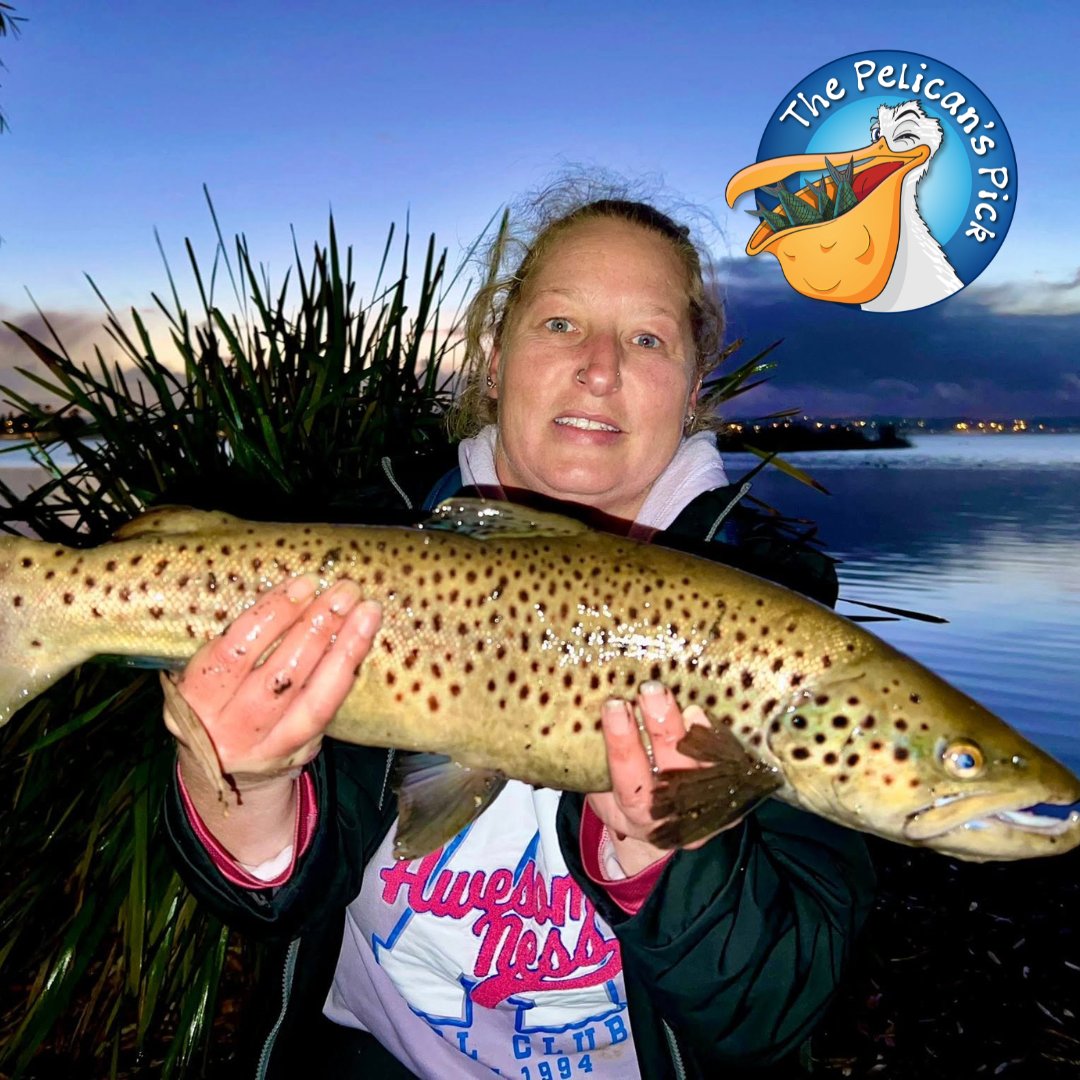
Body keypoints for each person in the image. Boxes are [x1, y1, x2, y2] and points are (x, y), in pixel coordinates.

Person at [163, 186, 875, 1079]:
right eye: (561, 325)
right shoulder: (354, 553)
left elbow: (776, 1004)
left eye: (647, 339)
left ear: (694, 389)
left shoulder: (783, 630)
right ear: (495, 360)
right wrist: (243, 781)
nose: (600, 369)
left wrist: (664, 855)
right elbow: (270, 897)